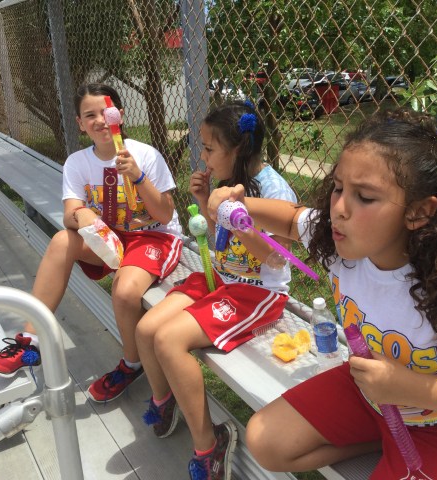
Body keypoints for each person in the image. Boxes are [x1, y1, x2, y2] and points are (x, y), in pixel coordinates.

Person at [207, 108, 437, 479]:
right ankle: (383, 439)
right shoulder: (339, 240)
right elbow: (289, 218)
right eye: (338, 188)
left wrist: (412, 389)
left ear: (418, 212)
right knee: (266, 441)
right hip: (369, 392)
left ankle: (393, 444)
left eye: (364, 197)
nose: (338, 209)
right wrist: (235, 204)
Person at [0, 83, 184, 403]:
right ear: (79, 123)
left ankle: (132, 364)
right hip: (109, 237)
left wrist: (138, 177)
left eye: (106, 112)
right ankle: (31, 341)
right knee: (63, 240)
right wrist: (81, 215)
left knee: (125, 291)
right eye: (90, 115)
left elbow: (165, 213)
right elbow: (69, 215)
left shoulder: (145, 155)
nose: (100, 120)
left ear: (120, 115)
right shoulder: (78, 162)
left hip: (153, 236)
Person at [135, 101, 297, 480]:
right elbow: (219, 239)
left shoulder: (274, 191)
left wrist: (236, 218)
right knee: (146, 329)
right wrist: (204, 202)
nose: (203, 157)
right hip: (221, 279)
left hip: (256, 294)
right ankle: (166, 400)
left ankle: (210, 445)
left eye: (209, 148)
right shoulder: (226, 183)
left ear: (238, 149)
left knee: (168, 341)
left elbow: (277, 259)